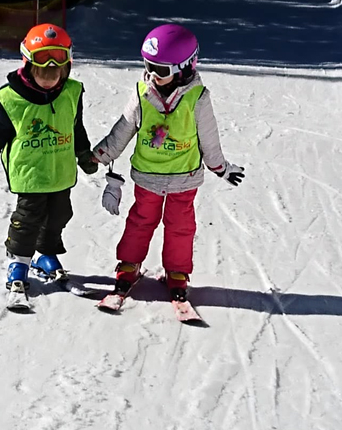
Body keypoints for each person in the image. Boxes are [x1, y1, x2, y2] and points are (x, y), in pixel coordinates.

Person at [92, 24, 245, 302]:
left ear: (185, 68)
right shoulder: (142, 93)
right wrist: (101, 155)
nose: (152, 75)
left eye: (160, 70)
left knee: (180, 226)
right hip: (148, 175)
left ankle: (177, 271)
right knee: (140, 221)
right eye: (148, 66)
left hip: (184, 178)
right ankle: (128, 264)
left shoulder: (198, 99)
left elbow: (209, 139)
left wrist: (220, 167)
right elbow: (123, 129)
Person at [0, 23, 98, 294]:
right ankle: (19, 263)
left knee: (59, 215)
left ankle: (44, 255)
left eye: (56, 73)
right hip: (30, 174)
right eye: (42, 73)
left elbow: (75, 127)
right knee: (27, 220)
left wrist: (83, 154)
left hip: (60, 172)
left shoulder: (71, 92)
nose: (49, 79)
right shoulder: (10, 99)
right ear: (28, 65)